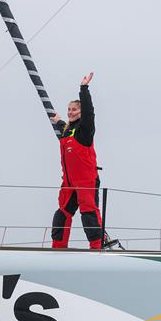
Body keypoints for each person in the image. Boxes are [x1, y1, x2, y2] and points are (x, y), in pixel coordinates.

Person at [50, 72, 103, 249]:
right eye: (69, 109)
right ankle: (58, 247)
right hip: (68, 183)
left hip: (86, 181)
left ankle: (97, 247)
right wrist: (58, 121)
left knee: (88, 214)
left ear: (81, 112)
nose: (70, 112)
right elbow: (64, 126)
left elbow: (89, 113)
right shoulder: (67, 131)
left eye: (74, 109)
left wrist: (84, 89)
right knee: (61, 215)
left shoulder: (84, 130)